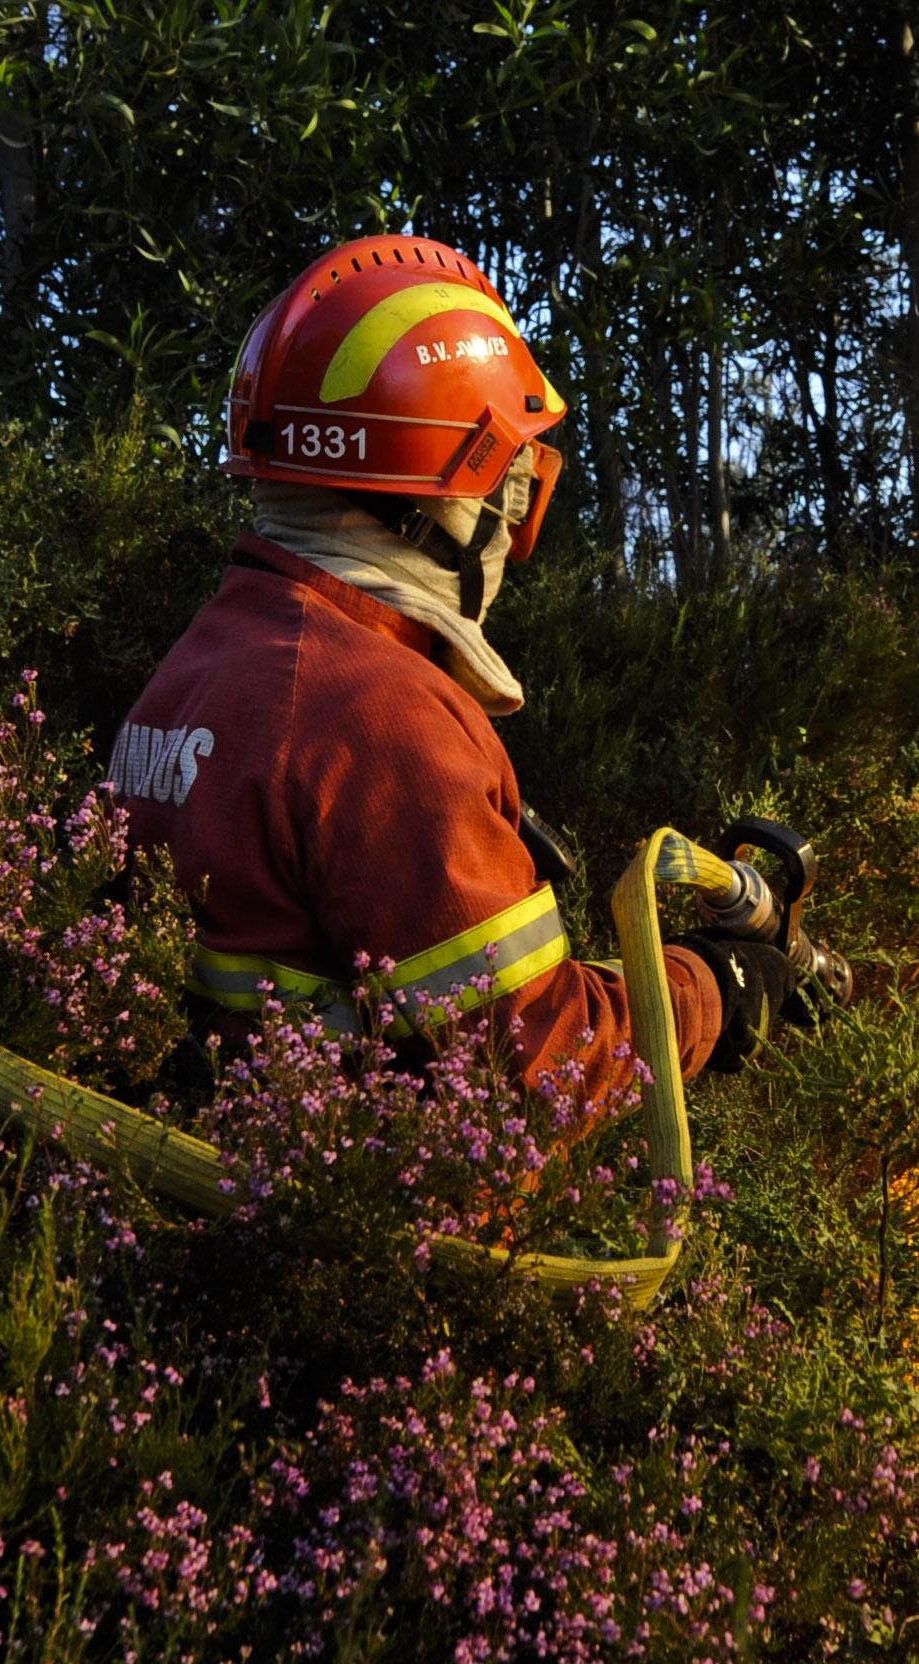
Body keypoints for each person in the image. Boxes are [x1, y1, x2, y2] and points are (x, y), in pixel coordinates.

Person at [108, 235, 793, 1120]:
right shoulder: (381, 719)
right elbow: (539, 1069)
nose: (514, 526)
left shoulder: (204, 663)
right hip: (350, 1198)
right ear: (448, 494)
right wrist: (714, 989)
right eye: (513, 481)